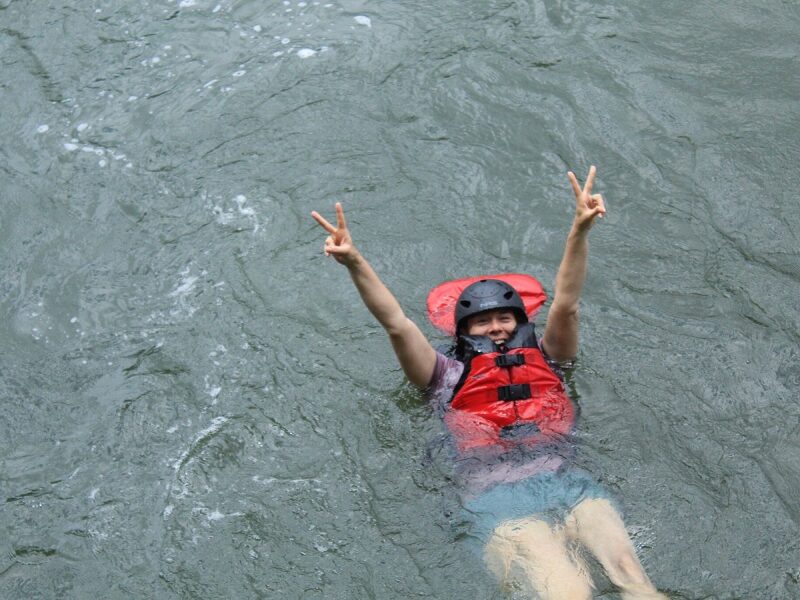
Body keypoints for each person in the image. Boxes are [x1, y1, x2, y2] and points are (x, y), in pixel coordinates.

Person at [311, 167, 667, 599]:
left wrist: (579, 231)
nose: (496, 328)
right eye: (482, 322)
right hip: (496, 500)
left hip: (566, 481)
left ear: (522, 322)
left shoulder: (551, 359)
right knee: (569, 593)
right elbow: (397, 325)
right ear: (463, 332)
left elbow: (568, 304)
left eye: (505, 318)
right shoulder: (443, 375)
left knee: (635, 581)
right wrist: (354, 261)